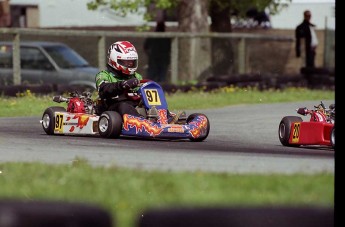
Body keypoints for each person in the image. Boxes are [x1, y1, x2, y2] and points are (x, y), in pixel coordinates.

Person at [95, 41, 143, 117]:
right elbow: (104, 89)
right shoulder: (103, 75)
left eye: (132, 61)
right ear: (114, 60)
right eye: (126, 61)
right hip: (111, 108)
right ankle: (141, 124)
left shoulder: (137, 76)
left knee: (154, 106)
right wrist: (123, 85)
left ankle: (166, 121)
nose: (130, 63)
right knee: (123, 106)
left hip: (134, 106)